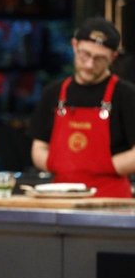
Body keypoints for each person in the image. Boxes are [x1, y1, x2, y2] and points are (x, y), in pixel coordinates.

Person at [30, 17, 135, 197]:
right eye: (85, 54)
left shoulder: (127, 95)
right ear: (74, 45)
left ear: (113, 57)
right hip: (60, 197)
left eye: (99, 59)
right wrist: (62, 165)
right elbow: (38, 147)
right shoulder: (53, 93)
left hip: (111, 199)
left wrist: (103, 166)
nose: (89, 64)